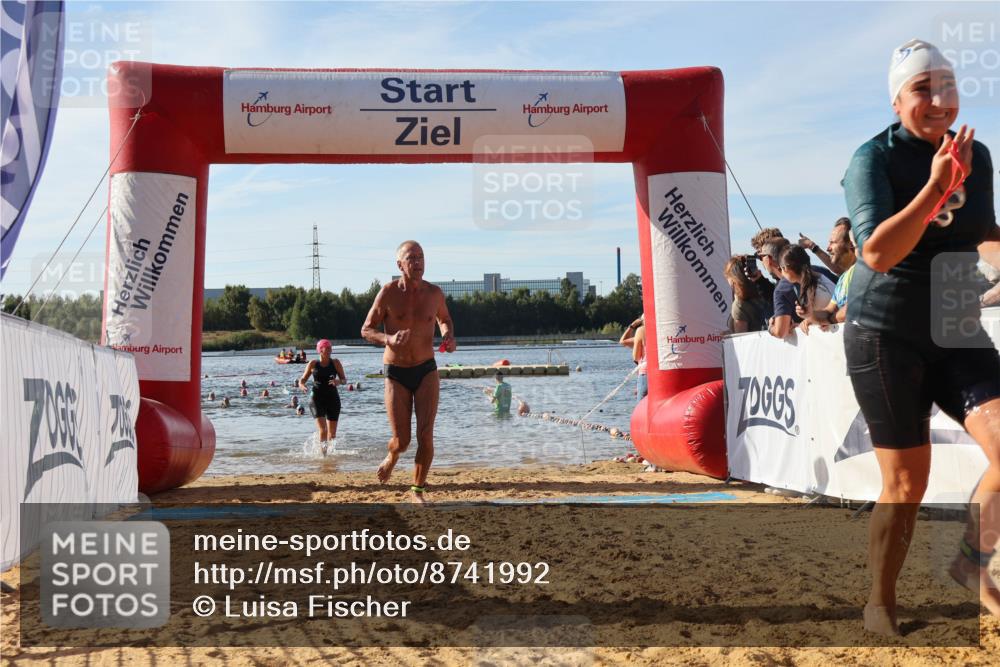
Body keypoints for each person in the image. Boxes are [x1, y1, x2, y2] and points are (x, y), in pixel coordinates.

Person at [842, 39, 1000, 635]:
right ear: (896, 99)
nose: (938, 100)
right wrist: (935, 186)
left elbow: (980, 230)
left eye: (947, 86)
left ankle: (970, 564)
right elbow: (876, 253)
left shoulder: (976, 155)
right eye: (921, 88)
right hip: (887, 331)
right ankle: (879, 602)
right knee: (907, 482)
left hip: (955, 320)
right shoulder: (873, 159)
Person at [361, 240, 455, 502]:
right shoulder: (388, 292)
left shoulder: (435, 293)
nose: (418, 262)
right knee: (402, 441)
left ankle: (418, 489)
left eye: (421, 257)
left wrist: (448, 336)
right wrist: (388, 339)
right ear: (399, 264)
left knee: (425, 435)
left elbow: (444, 319)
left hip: (426, 369)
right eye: (411, 258)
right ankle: (392, 456)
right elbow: (366, 329)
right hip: (396, 372)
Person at [298, 339, 347, 456]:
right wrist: (302, 385)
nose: (330, 350)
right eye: (327, 348)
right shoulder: (313, 364)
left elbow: (344, 380)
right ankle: (323, 456)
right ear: (320, 350)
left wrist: (338, 381)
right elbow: (302, 379)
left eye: (330, 348)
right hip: (316, 399)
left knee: (332, 434)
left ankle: (330, 454)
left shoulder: (335, 363)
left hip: (332, 399)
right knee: (323, 430)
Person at [778, 244, 836, 329]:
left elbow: (825, 319)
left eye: (780, 269)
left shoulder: (813, 287)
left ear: (786, 268)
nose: (781, 273)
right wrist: (806, 318)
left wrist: (808, 318)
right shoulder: (818, 278)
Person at [724, 255, 769, 333]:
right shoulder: (765, 294)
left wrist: (728, 336)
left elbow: (741, 339)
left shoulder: (739, 305)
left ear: (732, 280)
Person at [620, 315, 647, 402]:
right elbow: (623, 341)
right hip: (659, 373)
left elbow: (635, 357)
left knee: (642, 407)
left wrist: (632, 326)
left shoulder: (641, 331)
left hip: (645, 373)